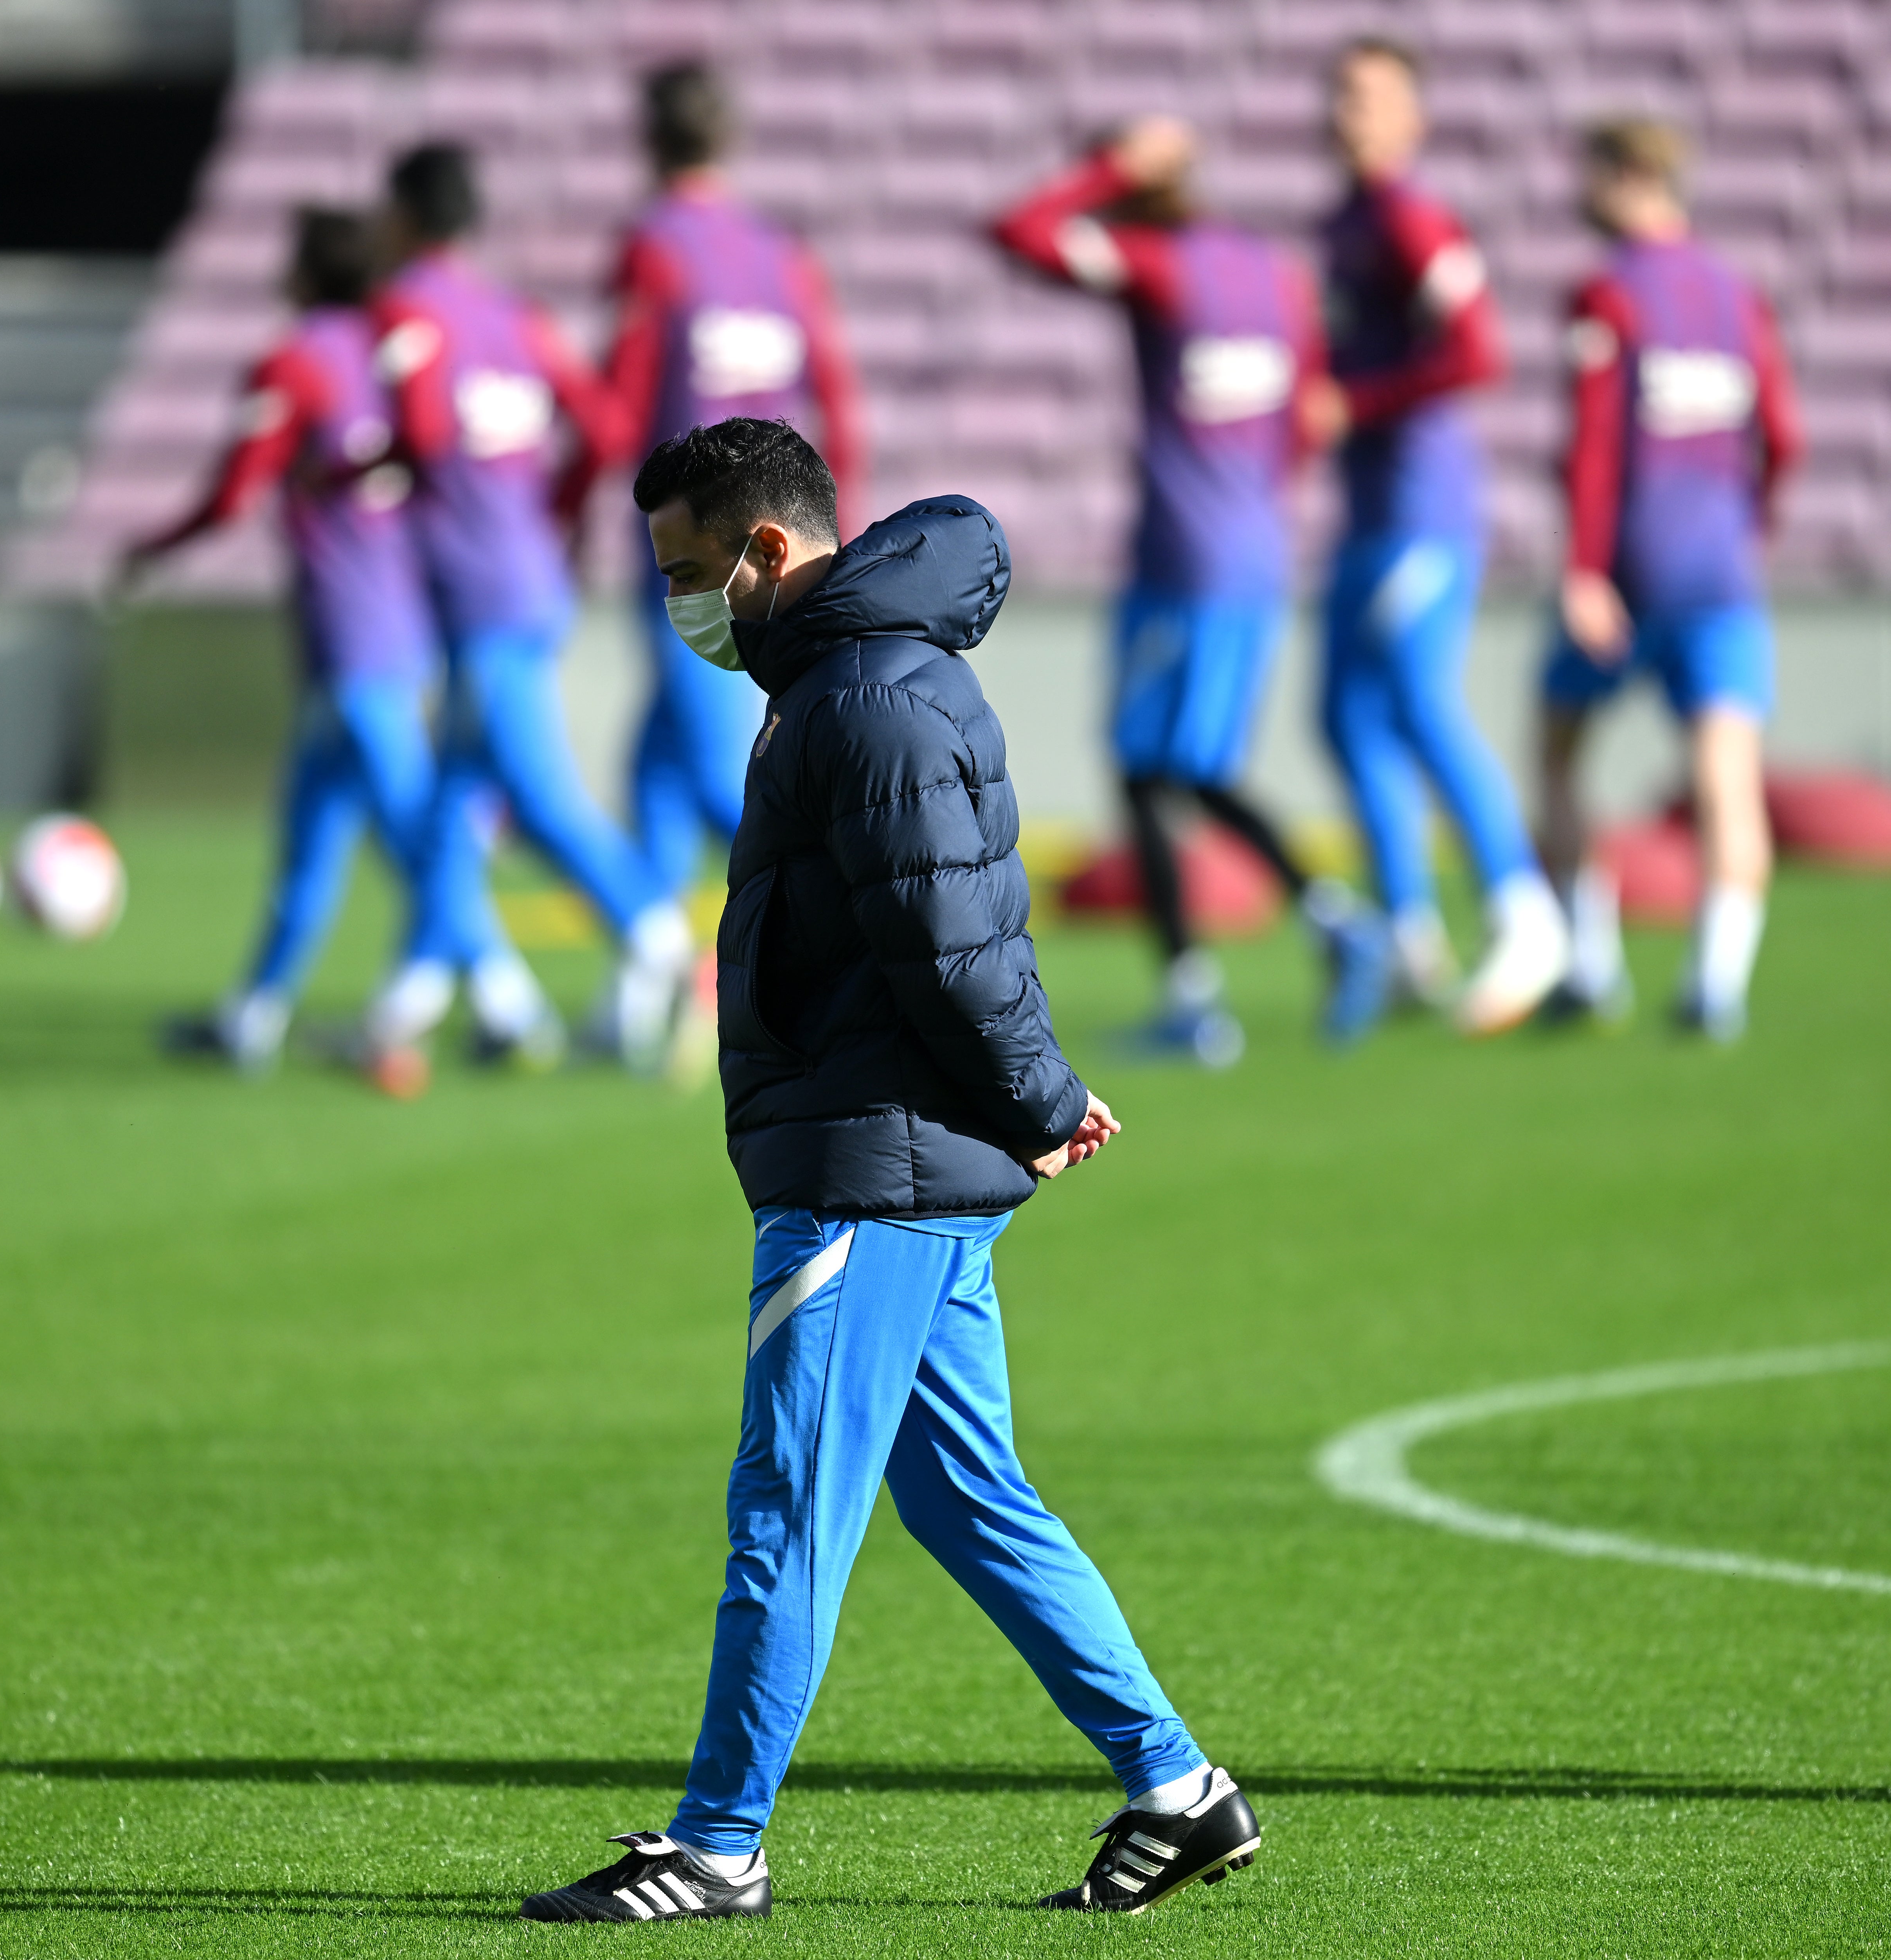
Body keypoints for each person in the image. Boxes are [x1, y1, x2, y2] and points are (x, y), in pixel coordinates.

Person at [516, 421, 1261, 1922]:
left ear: (768, 552)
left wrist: (1041, 1095)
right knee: (971, 1501)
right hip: (884, 1153)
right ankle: (1178, 1791)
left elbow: (954, 940)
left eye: (688, 575)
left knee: (786, 1505)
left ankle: (718, 1847)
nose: (683, 609)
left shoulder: (866, 698)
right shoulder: (843, 684)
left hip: (873, 1172)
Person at [990, 117, 1388, 1067]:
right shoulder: (1274, 277)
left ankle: (1256, 968)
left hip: (1183, 562)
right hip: (1254, 552)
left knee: (1158, 768)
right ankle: (1249, 968)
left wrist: (1102, 169)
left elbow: (1024, 233)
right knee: (1173, 770)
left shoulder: (1158, 266)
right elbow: (1305, 421)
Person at [358, 142, 696, 1092]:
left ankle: (663, 945)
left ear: (405, 219)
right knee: (448, 809)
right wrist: (549, 506)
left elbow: (421, 431)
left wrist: (365, 471)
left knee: (537, 795)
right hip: (531, 577)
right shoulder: (516, 319)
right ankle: (432, 1000)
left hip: (476, 592)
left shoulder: (406, 312)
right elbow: (601, 424)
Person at [131, 208, 441, 1076]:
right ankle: (251, 1017)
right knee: (313, 832)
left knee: (418, 836)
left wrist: (148, 551)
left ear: (304, 274)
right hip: (396, 618)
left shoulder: (296, 361)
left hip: (353, 634)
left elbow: (233, 497)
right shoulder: (387, 354)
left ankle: (503, 1004)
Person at [554, 59, 863, 906]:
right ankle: (656, 978)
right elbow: (838, 397)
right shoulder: (782, 255)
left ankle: (850, 929)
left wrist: (565, 496)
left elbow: (619, 415)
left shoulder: (654, 248)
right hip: (779, 545)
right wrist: (836, 531)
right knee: (657, 764)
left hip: (693, 550)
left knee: (713, 773)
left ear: (648, 140)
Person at [1314, 38, 1569, 1035]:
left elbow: (1476, 349)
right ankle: (1410, 938)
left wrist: (1357, 403)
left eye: (1373, 98)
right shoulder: (1345, 223)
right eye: (1342, 93)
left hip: (1422, 506)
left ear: (1413, 119)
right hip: (1369, 508)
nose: (1351, 112)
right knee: (1346, 716)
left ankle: (1524, 908)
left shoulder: (1411, 218)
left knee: (1416, 701)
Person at [1537, 119, 1799, 1042]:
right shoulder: (1739, 296)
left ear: (1631, 175)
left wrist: (1582, 573)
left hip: (1628, 573)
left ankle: (1591, 968)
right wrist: (1750, 531)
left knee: (1559, 757)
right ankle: (1715, 985)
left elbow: (1595, 450)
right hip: (1722, 575)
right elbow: (1784, 435)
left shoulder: (1609, 296)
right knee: (1728, 778)